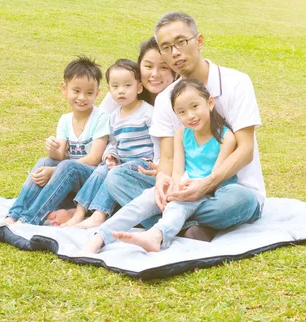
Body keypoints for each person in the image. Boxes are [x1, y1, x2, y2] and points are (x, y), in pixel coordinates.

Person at [103, 12, 265, 241]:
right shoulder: (165, 99)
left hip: (230, 189)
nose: (175, 53)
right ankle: (191, 227)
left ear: (199, 41)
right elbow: (167, 159)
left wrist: (206, 184)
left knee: (240, 200)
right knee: (117, 178)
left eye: (181, 42)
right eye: (166, 47)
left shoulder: (237, 82)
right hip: (184, 187)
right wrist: (162, 180)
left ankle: (173, 223)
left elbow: (245, 150)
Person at [80, 79, 238, 253]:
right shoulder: (180, 134)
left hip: (208, 192)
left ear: (209, 103)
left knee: (179, 207)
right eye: (182, 112)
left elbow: (215, 178)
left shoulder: (226, 137)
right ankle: (99, 237)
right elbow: (177, 171)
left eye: (195, 107)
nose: (190, 116)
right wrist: (174, 188)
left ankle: (156, 235)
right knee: (143, 201)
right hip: (183, 187)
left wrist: (187, 192)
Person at [46, 37, 175, 226]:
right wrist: (107, 156)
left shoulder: (174, 100)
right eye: (148, 66)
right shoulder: (120, 94)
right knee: (96, 170)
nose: (155, 74)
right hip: (117, 162)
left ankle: (96, 214)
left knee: (115, 177)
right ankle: (75, 211)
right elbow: (106, 135)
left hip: (154, 171)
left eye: (163, 67)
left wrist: (161, 169)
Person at [4, 56, 110, 226]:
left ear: (97, 93)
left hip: (91, 178)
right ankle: (13, 215)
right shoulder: (65, 120)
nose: (82, 97)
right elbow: (59, 155)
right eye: (76, 91)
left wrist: (54, 171)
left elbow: (94, 159)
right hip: (67, 175)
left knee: (67, 166)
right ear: (64, 89)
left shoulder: (101, 118)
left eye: (89, 93)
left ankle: (29, 219)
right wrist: (52, 148)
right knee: (44, 161)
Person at [59, 59, 154, 228]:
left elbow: (158, 141)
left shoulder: (147, 113)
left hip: (142, 161)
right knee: (100, 171)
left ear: (139, 87)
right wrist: (110, 155)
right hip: (121, 160)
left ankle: (99, 214)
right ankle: (79, 212)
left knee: (113, 174)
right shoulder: (113, 116)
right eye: (115, 87)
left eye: (127, 86)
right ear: (109, 90)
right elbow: (113, 142)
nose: (121, 91)